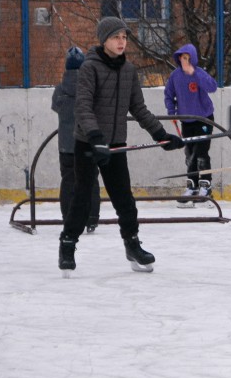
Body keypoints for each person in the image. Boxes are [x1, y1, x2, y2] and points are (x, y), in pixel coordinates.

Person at [58, 16, 182, 275]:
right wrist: (95, 137)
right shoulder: (89, 69)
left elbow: (138, 108)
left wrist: (161, 135)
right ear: (104, 40)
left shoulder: (129, 71)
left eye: (124, 37)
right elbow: (82, 106)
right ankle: (68, 244)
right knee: (81, 197)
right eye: (116, 37)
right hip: (89, 144)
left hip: (115, 144)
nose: (122, 42)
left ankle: (132, 244)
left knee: (124, 198)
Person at [162, 42, 219, 205]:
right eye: (182, 58)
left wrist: (194, 72)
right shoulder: (175, 76)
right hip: (186, 121)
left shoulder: (199, 73)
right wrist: (171, 112)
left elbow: (212, 87)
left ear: (193, 59)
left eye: (187, 58)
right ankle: (192, 185)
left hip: (204, 119)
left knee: (202, 152)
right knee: (190, 154)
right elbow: (169, 95)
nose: (184, 61)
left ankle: (205, 186)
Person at [51, 46, 100, 233]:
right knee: (91, 180)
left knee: (68, 181)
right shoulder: (91, 87)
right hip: (87, 141)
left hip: (66, 144)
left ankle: (68, 217)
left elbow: (56, 107)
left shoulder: (60, 90)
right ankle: (92, 218)